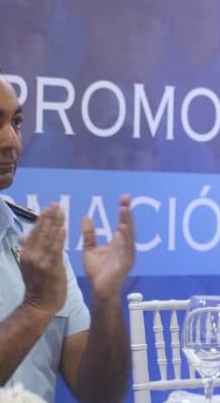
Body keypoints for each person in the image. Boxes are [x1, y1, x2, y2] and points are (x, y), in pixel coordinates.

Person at [0, 69, 136, 403]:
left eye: (16, 123)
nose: (12, 142)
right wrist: (34, 308)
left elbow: (101, 396)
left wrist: (106, 300)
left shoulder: (35, 242)